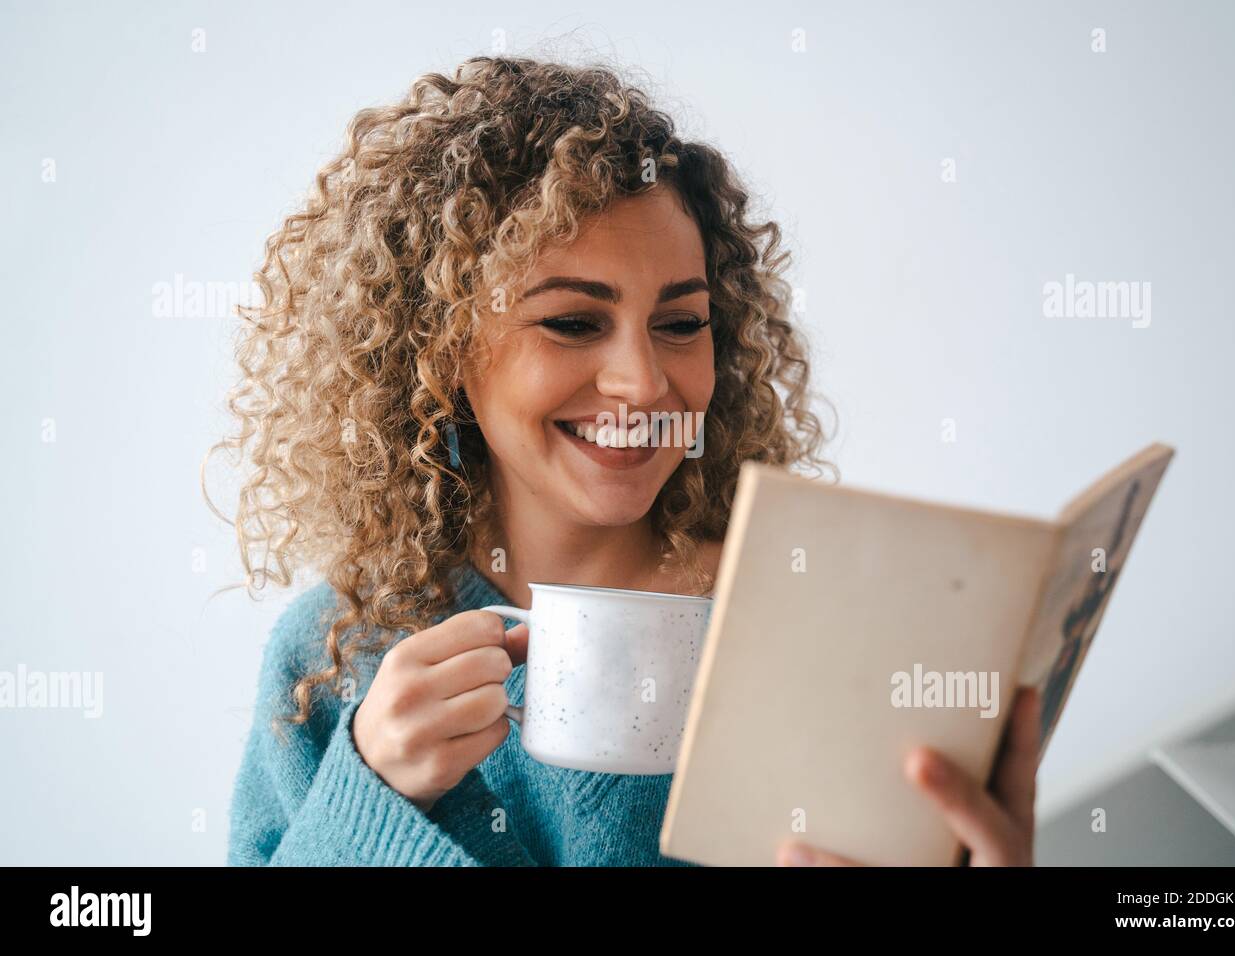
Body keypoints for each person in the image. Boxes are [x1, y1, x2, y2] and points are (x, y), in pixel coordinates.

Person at [211, 55, 1039, 866]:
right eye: (572, 322)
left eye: (681, 324)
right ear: (443, 351)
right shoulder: (335, 657)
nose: (644, 384)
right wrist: (371, 799)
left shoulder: (810, 624)